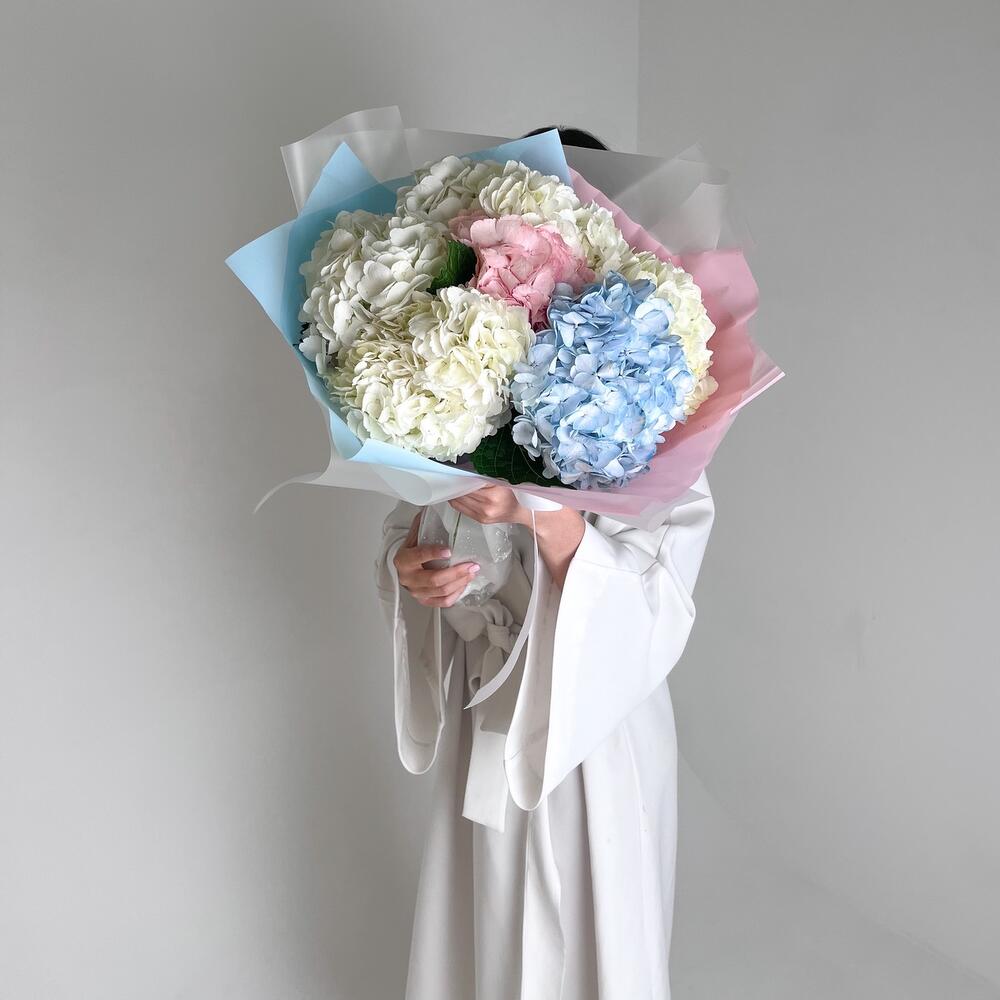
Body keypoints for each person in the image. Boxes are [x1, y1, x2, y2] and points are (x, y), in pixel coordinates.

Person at [373, 128, 716, 1000]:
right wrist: (421, 569)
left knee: (598, 924)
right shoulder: (471, 384)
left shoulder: (655, 398)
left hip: (593, 726)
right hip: (491, 700)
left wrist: (542, 514)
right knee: (487, 922)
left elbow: (655, 596)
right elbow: (423, 527)